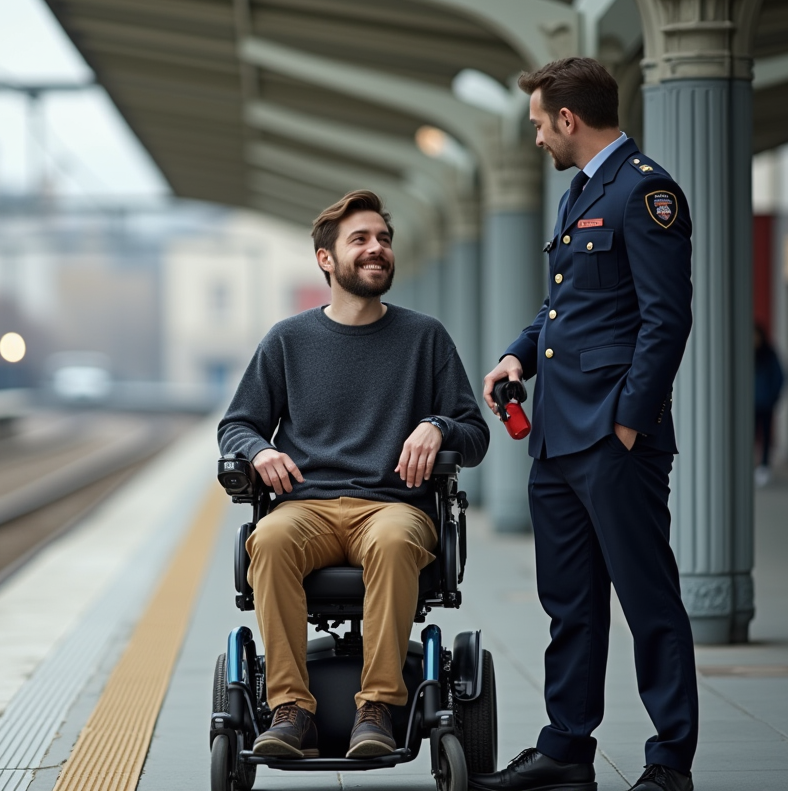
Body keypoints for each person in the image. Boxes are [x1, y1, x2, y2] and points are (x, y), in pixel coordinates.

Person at [477, 58, 696, 791]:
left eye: (539, 122)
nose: (537, 136)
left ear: (567, 119)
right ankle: (566, 751)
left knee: (648, 602)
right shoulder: (580, 193)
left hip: (611, 440)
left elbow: (666, 320)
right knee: (569, 607)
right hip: (555, 439)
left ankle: (669, 761)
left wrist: (629, 424)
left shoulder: (646, 190)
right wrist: (517, 357)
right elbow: (564, 311)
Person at [218, 190, 489, 760]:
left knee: (393, 540)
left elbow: (475, 433)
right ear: (326, 259)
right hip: (305, 509)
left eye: (383, 240)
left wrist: (438, 425)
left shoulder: (425, 337)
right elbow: (236, 426)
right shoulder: (287, 341)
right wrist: (256, 451)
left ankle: (378, 708)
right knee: (267, 539)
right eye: (360, 240)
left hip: (393, 509)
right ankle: (291, 711)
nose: (376, 250)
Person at [754, 323, 786, 487]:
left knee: (766, 436)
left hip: (765, 404)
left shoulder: (769, 355)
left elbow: (781, 376)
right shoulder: (747, 355)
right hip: (750, 405)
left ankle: (764, 467)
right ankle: (751, 465)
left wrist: (773, 397)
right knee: (750, 437)